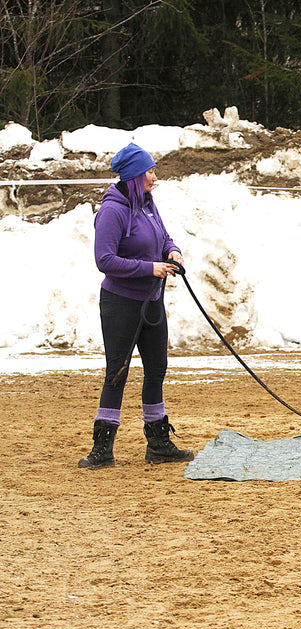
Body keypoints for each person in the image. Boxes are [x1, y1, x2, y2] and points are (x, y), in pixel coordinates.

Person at [78, 142, 194, 469]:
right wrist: (149, 268)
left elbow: (163, 237)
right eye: (150, 172)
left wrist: (172, 252)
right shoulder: (112, 211)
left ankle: (158, 442)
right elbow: (105, 259)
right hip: (121, 304)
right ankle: (102, 448)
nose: (154, 178)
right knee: (118, 372)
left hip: (152, 300)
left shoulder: (147, 204)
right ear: (134, 176)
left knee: (156, 368)